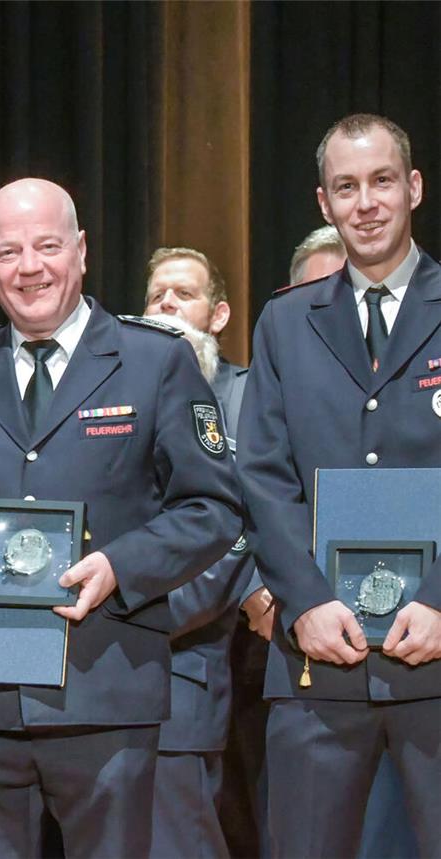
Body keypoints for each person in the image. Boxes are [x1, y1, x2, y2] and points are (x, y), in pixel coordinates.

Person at [0, 178, 242, 858]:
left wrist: (121, 565)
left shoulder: (155, 360)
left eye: (48, 245)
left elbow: (214, 507)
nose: (30, 267)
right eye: (10, 251)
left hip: (106, 687)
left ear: (81, 250)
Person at [238, 113, 441, 857]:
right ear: (324, 204)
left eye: (382, 181)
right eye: (346, 187)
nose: (367, 203)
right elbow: (262, 475)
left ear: (413, 187)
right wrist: (306, 600)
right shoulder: (285, 324)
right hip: (319, 659)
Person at [142, 248, 255, 858]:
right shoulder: (121, 394)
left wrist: (126, 615)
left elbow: (234, 535)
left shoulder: (247, 398)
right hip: (103, 680)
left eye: (183, 294)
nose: (165, 305)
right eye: (156, 294)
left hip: (185, 671)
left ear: (219, 314)